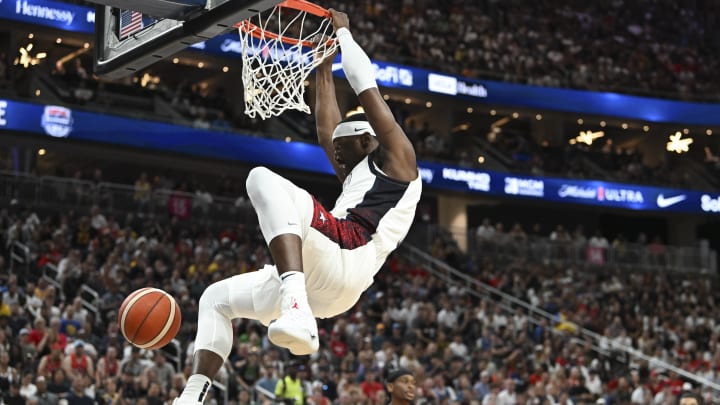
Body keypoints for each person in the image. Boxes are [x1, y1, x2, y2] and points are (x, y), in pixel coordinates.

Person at [173, 8, 420, 405]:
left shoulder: (399, 158)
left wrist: (343, 35)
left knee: (262, 179)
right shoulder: (359, 175)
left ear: (367, 141)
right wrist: (323, 67)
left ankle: (296, 306)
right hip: (332, 286)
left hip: (349, 251)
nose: (334, 150)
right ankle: (192, 395)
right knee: (214, 299)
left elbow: (364, 84)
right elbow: (327, 129)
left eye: (343, 145)